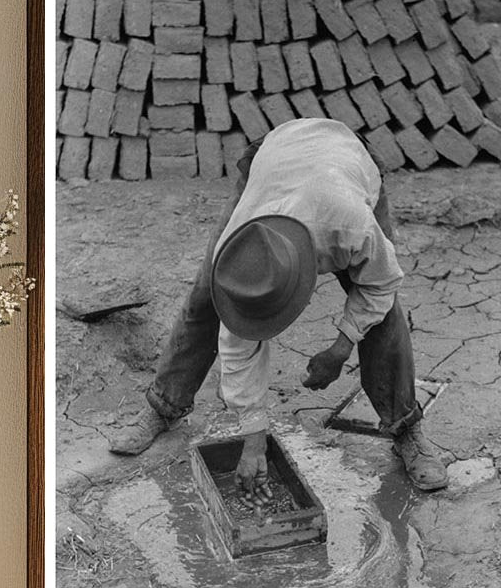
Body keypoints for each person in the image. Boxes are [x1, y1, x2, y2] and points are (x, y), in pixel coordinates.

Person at [110, 117, 448, 494]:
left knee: (384, 317)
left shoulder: (351, 227)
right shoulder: (239, 247)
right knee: (206, 297)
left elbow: (383, 282)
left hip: (345, 164)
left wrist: (341, 346)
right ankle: (164, 405)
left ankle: (406, 429)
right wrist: (254, 438)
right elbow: (237, 341)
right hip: (274, 160)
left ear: (302, 286)